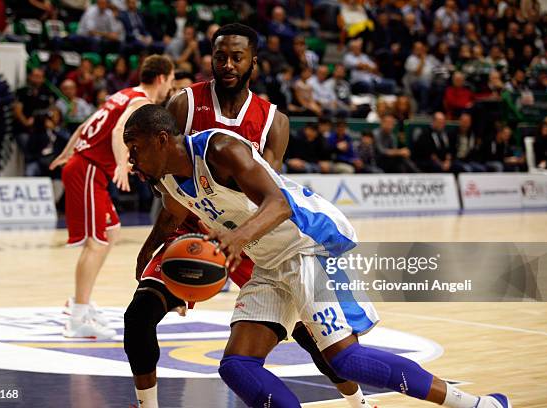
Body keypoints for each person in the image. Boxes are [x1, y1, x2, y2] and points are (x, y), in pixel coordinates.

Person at [124, 104, 512, 408]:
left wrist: (237, 239)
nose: (131, 159)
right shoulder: (169, 181)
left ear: (161, 139)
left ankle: (479, 404)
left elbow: (279, 205)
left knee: (346, 360)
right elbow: (171, 215)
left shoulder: (220, 149)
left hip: (311, 243)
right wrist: (147, 256)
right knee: (237, 365)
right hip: (270, 261)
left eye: (135, 147)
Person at [124, 23, 370, 408]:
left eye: (236, 56)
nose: (227, 64)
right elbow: (166, 181)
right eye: (219, 56)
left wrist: (233, 238)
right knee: (139, 316)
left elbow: (265, 195)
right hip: (189, 229)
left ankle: (358, 402)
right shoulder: (184, 104)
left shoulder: (274, 121)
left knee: (312, 335)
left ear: (253, 61)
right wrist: (153, 242)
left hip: (249, 238)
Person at [49, 55, 175, 340]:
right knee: (96, 243)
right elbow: (119, 130)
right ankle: (78, 315)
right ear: (162, 78)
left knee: (111, 230)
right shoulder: (142, 101)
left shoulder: (122, 94)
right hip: (89, 169)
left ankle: (80, 301)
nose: (170, 85)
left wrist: (68, 151)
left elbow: (86, 125)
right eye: (171, 79)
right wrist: (121, 162)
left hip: (85, 165)